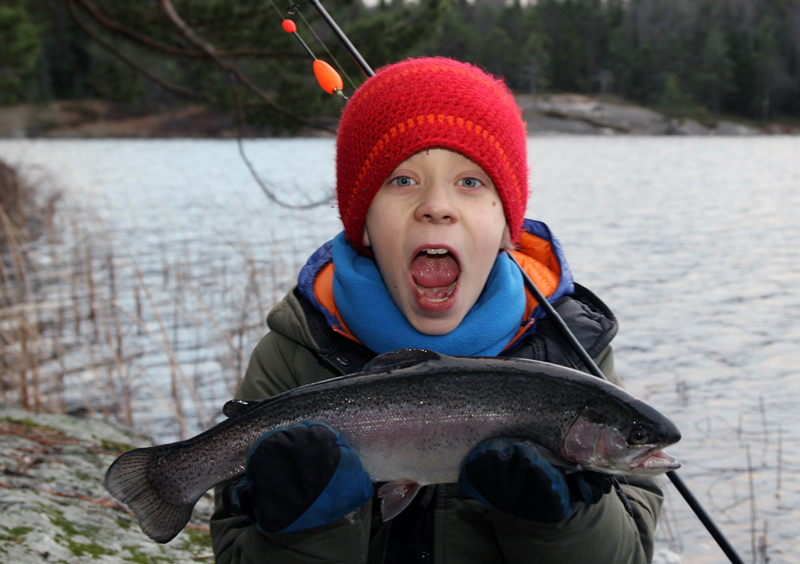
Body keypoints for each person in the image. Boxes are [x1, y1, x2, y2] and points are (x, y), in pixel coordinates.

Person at [210, 57, 663, 564]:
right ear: (362, 222)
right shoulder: (294, 352)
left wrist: (557, 524)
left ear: (506, 224)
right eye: (402, 181)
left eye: (471, 182)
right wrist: (306, 527)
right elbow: (234, 550)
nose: (437, 206)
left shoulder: (574, 351)